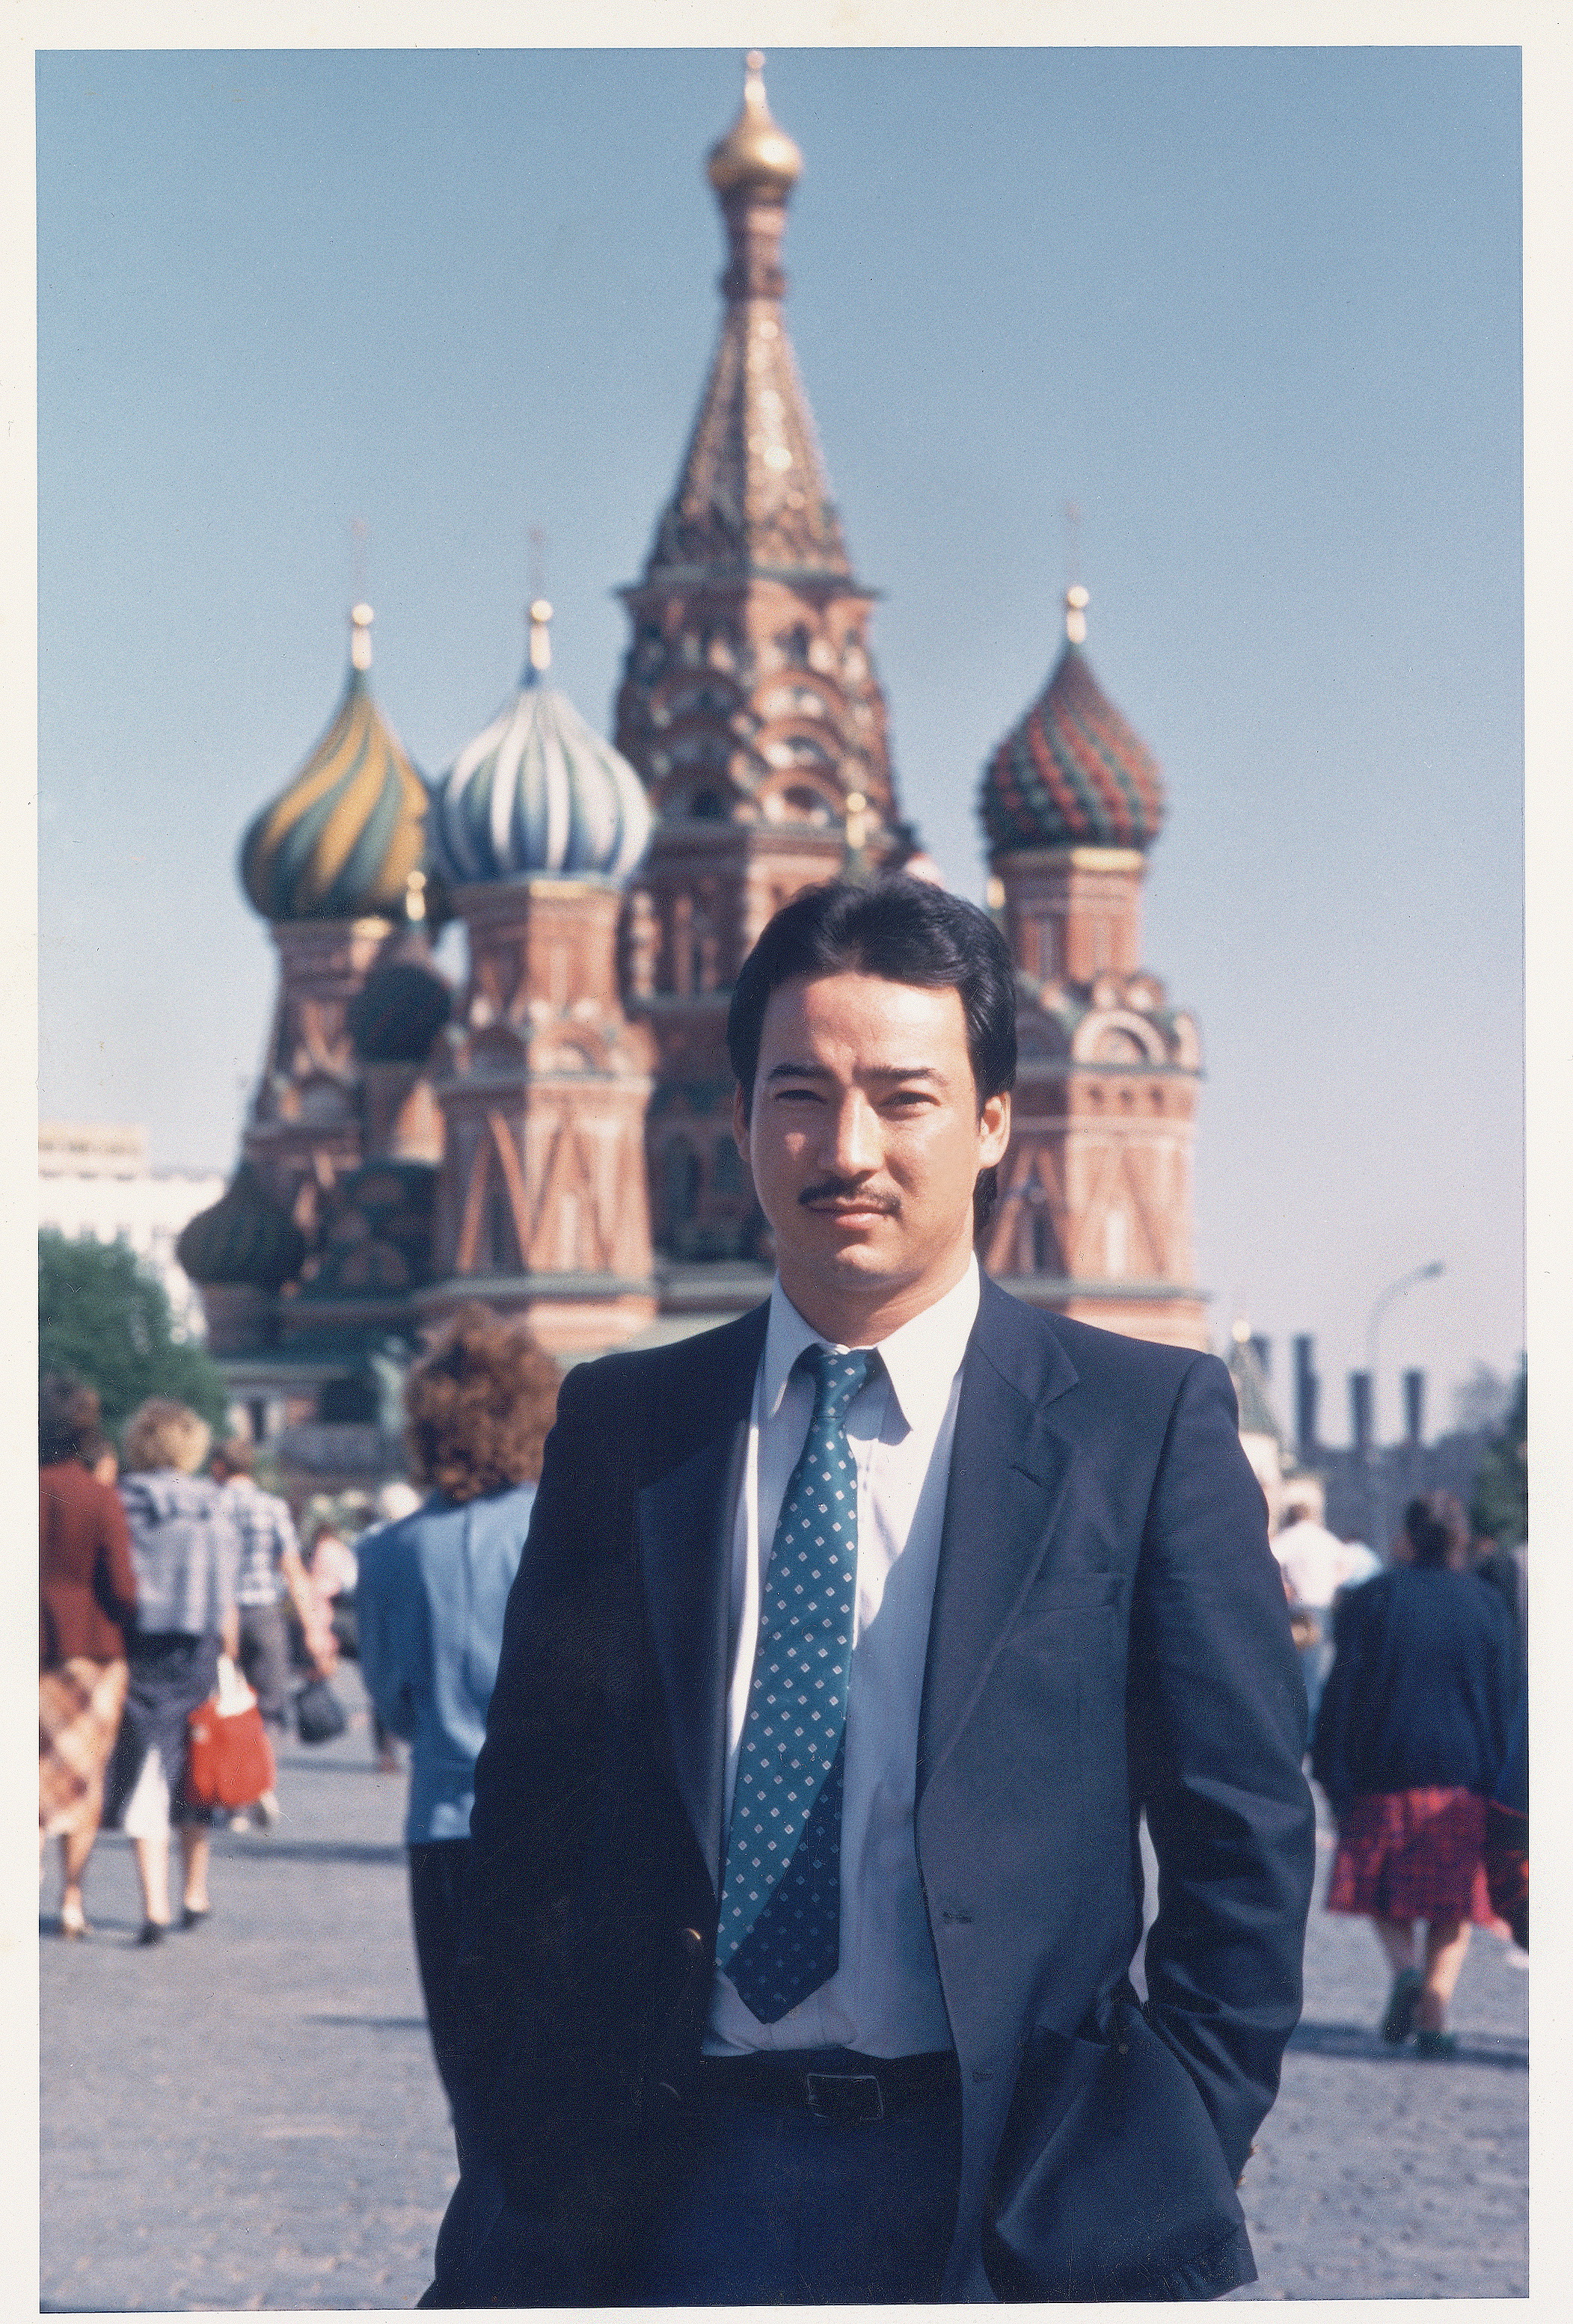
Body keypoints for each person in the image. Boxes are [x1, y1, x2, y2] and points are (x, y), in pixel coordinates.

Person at [427, 877, 1315, 2308]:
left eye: (902, 1096)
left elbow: (1243, 1830)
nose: (845, 1149)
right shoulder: (631, 1425)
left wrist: (1165, 2140)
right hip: (663, 2189)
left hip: (1003, 2195)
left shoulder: (1132, 1427)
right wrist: (525, 2124)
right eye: (800, 1093)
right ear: (737, 1117)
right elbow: (530, 1812)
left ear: (989, 1124)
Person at [355, 1306, 559, 2111]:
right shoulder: (561, 1529)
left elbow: (394, 1705)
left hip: (444, 1832)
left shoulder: (388, 1552)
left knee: (475, 2087)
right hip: (559, 1832)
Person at [1313, 1490, 1518, 2056]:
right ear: (1460, 1539)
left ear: (1404, 1538)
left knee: (1383, 1890)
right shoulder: (1486, 1605)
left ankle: (1404, 1970)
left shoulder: (1369, 1599)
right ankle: (1434, 2010)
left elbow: (1342, 1692)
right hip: (1464, 1774)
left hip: (1383, 1767)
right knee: (1454, 1902)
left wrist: (1331, 1767)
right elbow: (1506, 1701)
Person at [103, 1399, 241, 1945]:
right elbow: (226, 1586)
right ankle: (195, 1890)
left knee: (144, 1767)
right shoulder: (213, 1504)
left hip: (137, 1646)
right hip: (197, 1644)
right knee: (196, 1763)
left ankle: (153, 1903)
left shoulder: (123, 1502)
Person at [39, 1377, 140, 1938]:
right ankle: (72, 1897)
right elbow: (123, 1588)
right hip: (90, 1654)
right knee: (83, 1776)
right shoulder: (99, 1497)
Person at [209, 1437, 337, 1828]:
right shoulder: (273, 1507)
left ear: (219, 1467)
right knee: (268, 1707)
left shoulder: (210, 1505)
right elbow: (293, 1571)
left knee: (225, 1706)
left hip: (220, 1615)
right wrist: (314, 1629)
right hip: (265, 1615)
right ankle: (259, 1785)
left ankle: (234, 1798)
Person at [1271, 1493, 1348, 1737]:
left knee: (1295, 1673)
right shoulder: (1326, 1539)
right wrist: (1332, 1585)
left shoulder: (1288, 1538)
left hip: (1298, 1610)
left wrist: (1286, 1584)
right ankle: (1314, 1734)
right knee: (1317, 1674)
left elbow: (1270, 1558)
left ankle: (1296, 1733)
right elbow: (1347, 1564)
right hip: (1322, 1608)